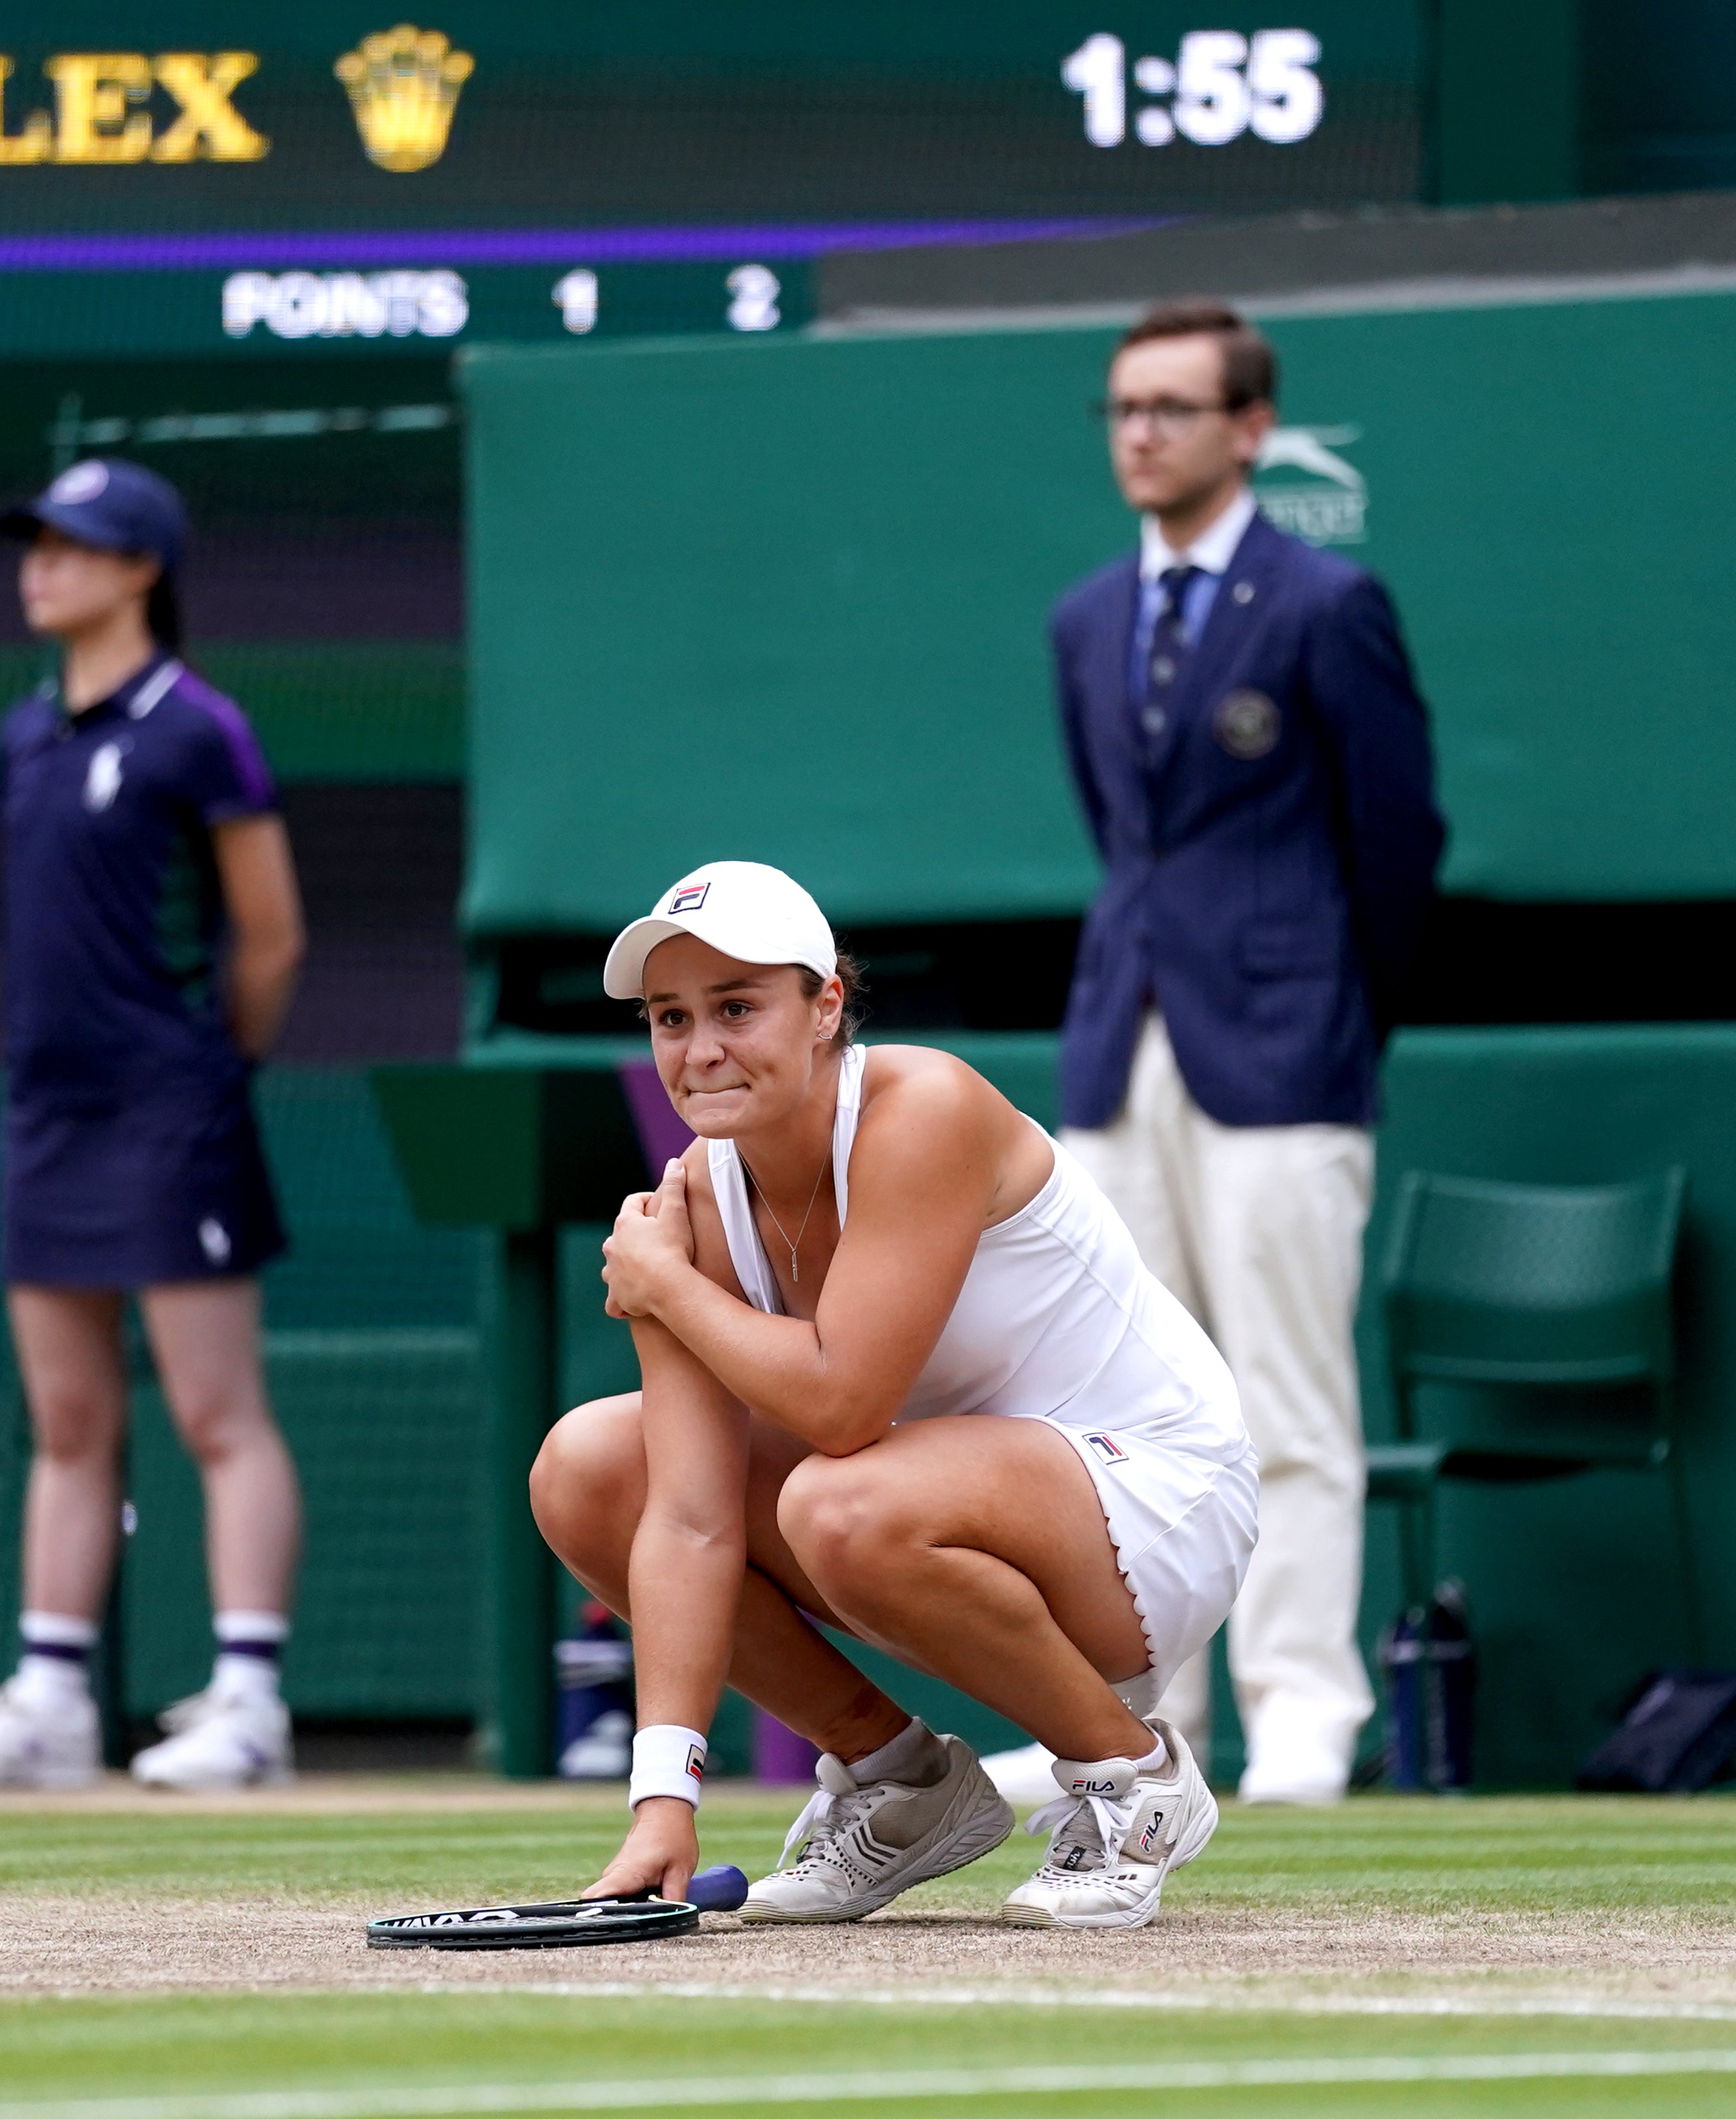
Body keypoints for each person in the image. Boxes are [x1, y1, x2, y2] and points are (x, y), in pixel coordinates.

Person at [529, 860, 1257, 1930]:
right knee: (589, 1470)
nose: (701, 1048)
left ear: (825, 1006)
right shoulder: (695, 1197)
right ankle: (899, 1780)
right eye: (670, 1017)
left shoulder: (925, 1108)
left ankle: (1133, 1777)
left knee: (839, 1500)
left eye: (736, 1007)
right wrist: (662, 1801)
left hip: (1161, 1504)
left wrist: (670, 1288)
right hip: (944, 1503)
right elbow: (687, 1519)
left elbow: (841, 1408)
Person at [998, 298, 1445, 1809]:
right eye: (1124, 407)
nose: (1141, 433)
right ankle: (1131, 1718)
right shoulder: (1084, 620)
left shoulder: (1328, 603)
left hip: (1285, 1054)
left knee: (1290, 1392)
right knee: (1115, 1405)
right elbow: (1119, 834)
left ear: (1253, 429)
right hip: (1118, 1047)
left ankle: (1305, 1706)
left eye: (1174, 407)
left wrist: (1330, 1011)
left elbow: (1397, 842)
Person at [0, 458, 310, 1793]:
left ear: (141, 570)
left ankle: (249, 1701)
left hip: (172, 1107)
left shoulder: (200, 728)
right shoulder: (22, 733)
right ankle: (51, 1701)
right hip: (47, 1113)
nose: (42, 566)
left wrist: (207, 1067)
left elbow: (271, 936)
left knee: (216, 1410)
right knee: (67, 1417)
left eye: (74, 545)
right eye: (36, 544)